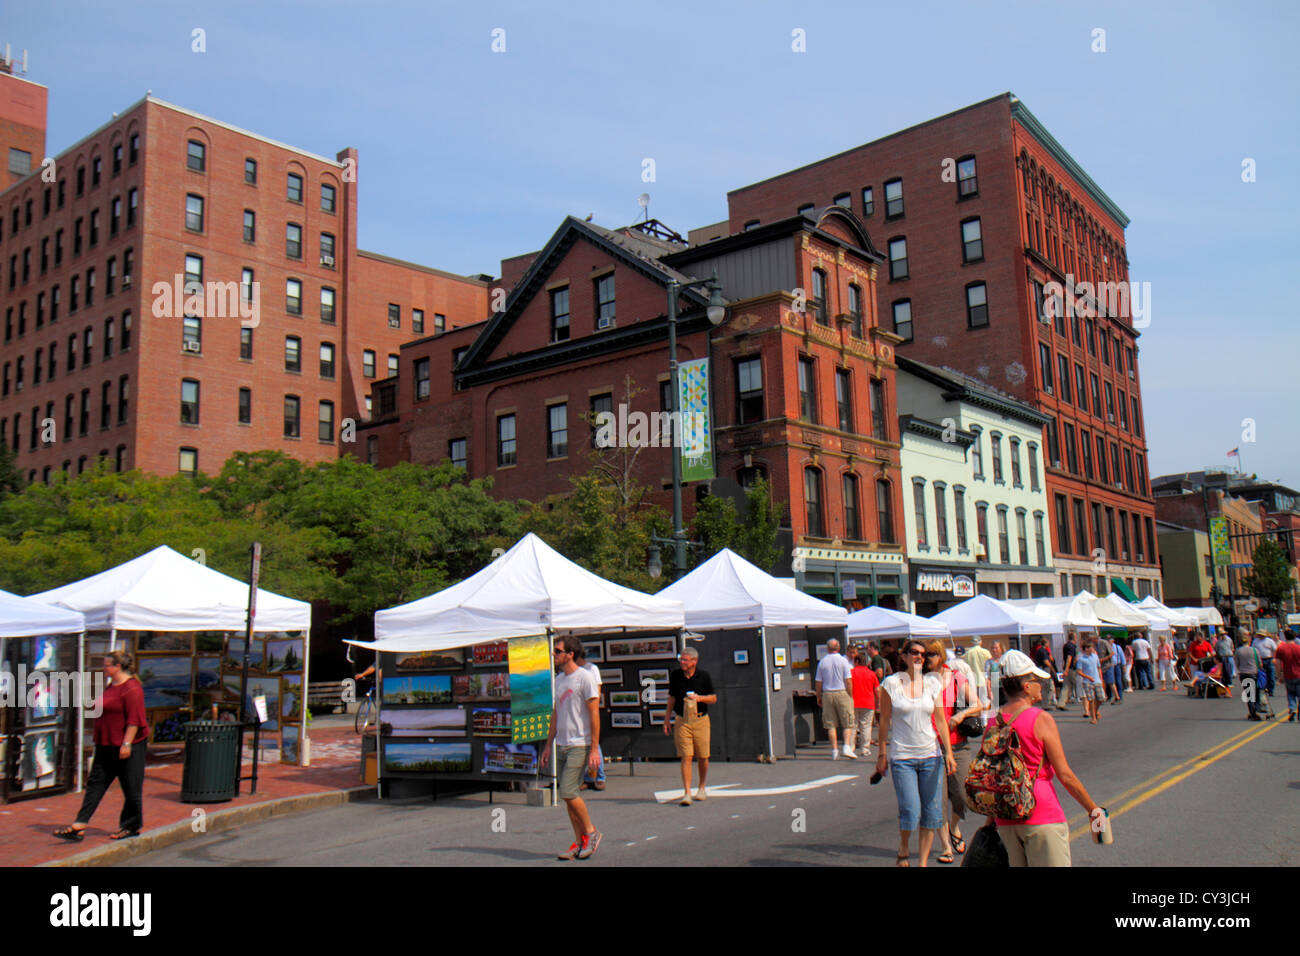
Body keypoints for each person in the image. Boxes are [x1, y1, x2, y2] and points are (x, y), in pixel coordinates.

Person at [989, 650, 1105, 866]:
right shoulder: (1040, 719)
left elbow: (994, 773)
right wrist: (1093, 810)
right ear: (1026, 687)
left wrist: (990, 821)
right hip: (1040, 813)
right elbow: (1065, 775)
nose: (1040, 685)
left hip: (1006, 818)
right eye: (1036, 680)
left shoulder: (993, 721)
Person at [876, 638, 956, 867]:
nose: (919, 656)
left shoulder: (933, 683)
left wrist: (948, 753)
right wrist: (882, 754)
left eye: (924, 653)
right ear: (903, 656)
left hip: (931, 755)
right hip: (903, 757)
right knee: (910, 810)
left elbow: (940, 720)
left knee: (932, 813)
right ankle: (903, 847)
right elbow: (884, 721)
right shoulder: (891, 683)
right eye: (914, 652)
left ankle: (921, 863)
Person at [54, 651, 150, 841]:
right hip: (106, 742)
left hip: (127, 744)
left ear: (118, 667)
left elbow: (135, 720)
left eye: (107, 665)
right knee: (96, 783)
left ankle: (131, 825)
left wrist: (126, 744)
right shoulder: (111, 685)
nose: (103, 668)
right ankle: (79, 824)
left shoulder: (132, 688)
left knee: (131, 787)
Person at [539, 635, 602, 859]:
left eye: (557, 651)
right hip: (562, 743)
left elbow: (594, 713)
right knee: (568, 796)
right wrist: (548, 745)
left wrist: (594, 748)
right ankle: (578, 841)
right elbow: (556, 713)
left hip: (580, 743)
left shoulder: (584, 677)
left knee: (567, 791)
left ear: (570, 654)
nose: (554, 655)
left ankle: (591, 832)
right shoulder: (559, 679)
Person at [925, 639, 982, 862]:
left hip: (958, 744)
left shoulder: (955, 677)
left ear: (940, 655)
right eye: (926, 654)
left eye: (932, 654)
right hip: (931, 746)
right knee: (937, 800)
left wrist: (960, 715)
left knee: (962, 796)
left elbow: (977, 704)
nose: (927, 658)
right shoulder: (920, 681)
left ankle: (955, 827)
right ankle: (946, 846)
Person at [664, 646, 717, 806]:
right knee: (686, 756)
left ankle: (701, 787)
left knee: (703, 756)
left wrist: (699, 698)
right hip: (682, 720)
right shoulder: (676, 675)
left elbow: (713, 698)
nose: (682, 662)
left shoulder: (704, 676)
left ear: (694, 661)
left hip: (701, 720)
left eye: (685, 660)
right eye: (681, 659)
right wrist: (667, 718)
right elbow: (672, 697)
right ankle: (687, 792)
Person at [814, 638, 857, 759]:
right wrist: (850, 695)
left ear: (828, 648)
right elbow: (848, 680)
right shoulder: (843, 661)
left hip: (827, 693)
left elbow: (818, 681)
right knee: (847, 722)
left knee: (830, 724)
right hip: (842, 691)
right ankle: (846, 747)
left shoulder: (822, 662)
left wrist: (819, 695)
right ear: (838, 648)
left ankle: (834, 750)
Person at [574, 645, 606, 791]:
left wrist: (593, 707)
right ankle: (587, 777)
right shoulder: (572, 671)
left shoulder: (591, 669)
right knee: (582, 744)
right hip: (577, 713)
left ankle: (599, 776)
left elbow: (597, 690)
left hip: (589, 710)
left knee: (594, 743)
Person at [849, 648, 880, 758]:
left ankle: (851, 748)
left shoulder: (850, 673)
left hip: (853, 702)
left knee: (853, 726)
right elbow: (877, 690)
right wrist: (878, 703)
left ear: (856, 662)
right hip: (868, 703)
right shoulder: (871, 674)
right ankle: (865, 749)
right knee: (866, 726)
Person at [1274, 630, 1300, 722]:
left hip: (1288, 675)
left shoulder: (1281, 649)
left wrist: (1279, 676)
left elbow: (1277, 663)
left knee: (1290, 693)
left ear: (1285, 637)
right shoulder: (1298, 648)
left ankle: (1292, 710)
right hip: (1299, 675)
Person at [1076, 639, 1104, 724]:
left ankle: (1094, 711)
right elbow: (1079, 671)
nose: (1093, 649)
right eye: (1091, 647)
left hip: (1097, 680)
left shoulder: (1095, 656)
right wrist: (1087, 677)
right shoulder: (1081, 659)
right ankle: (1093, 718)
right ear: (1086, 649)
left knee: (1101, 699)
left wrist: (1101, 678)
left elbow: (1099, 667)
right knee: (1091, 700)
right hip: (1087, 682)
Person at [1234, 635, 1262, 721]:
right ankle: (1256, 710)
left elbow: (1237, 663)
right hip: (1254, 673)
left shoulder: (1238, 651)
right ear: (1249, 641)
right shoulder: (1254, 650)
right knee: (1256, 692)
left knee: (1249, 694)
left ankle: (1252, 711)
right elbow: (1260, 663)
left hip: (1243, 673)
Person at [964, 636, 991, 705]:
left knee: (975, 704)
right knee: (985, 703)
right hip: (984, 681)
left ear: (972, 642)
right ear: (981, 642)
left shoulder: (967, 653)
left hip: (972, 681)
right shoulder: (986, 652)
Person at [1252, 631, 1278, 699]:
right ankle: (1264, 689)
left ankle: (1271, 690)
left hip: (1269, 659)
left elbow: (1275, 649)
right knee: (1262, 676)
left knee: (1271, 675)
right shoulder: (1255, 641)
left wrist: (1274, 658)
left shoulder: (1269, 641)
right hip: (1260, 659)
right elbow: (1253, 650)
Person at [1059, 632, 1079, 707]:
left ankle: (1061, 703)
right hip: (1071, 668)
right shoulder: (1072, 646)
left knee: (1065, 686)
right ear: (1074, 638)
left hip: (1066, 668)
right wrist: (1067, 669)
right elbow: (1069, 658)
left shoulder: (1066, 645)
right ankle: (1082, 698)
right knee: (1077, 684)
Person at [984, 641, 1005, 708]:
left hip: (1005, 687)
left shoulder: (1004, 659)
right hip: (995, 688)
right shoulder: (989, 662)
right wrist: (989, 691)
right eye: (993, 648)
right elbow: (988, 677)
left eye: (996, 648)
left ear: (1001, 649)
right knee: (995, 709)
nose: (994, 650)